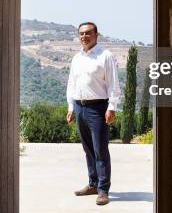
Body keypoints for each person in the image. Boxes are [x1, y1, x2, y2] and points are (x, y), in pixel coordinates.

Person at [66, 22, 121, 206]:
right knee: (88, 149)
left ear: (96, 35)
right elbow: (71, 84)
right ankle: (93, 184)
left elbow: (114, 84)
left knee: (100, 150)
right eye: (81, 34)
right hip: (80, 107)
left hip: (98, 108)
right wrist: (71, 107)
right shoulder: (76, 58)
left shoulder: (105, 56)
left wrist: (111, 107)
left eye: (88, 33)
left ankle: (103, 190)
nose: (84, 36)